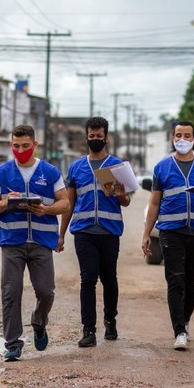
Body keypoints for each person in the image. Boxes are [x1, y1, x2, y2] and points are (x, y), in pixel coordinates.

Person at [0, 124, 70, 361]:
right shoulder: (1, 173)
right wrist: (7, 202)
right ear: (11, 145)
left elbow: (65, 203)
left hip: (42, 242)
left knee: (46, 291)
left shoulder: (50, 172)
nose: (21, 150)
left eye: (25, 146)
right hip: (12, 241)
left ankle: (39, 321)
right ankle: (13, 343)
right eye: (16, 146)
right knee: (10, 293)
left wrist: (46, 209)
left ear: (35, 144)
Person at [141, 121, 194, 350]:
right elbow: (154, 203)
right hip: (170, 231)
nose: (182, 139)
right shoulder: (162, 167)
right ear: (172, 138)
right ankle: (179, 331)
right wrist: (146, 234)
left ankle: (185, 320)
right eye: (178, 135)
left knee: (192, 281)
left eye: (187, 135)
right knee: (175, 279)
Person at [58, 116, 131, 348]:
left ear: (106, 138)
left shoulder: (117, 166)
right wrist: (61, 234)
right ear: (86, 137)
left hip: (109, 232)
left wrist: (121, 194)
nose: (95, 139)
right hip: (84, 232)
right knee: (87, 279)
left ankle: (110, 321)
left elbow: (126, 202)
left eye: (99, 136)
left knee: (109, 279)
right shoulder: (76, 168)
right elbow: (69, 203)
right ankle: (88, 330)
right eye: (92, 136)